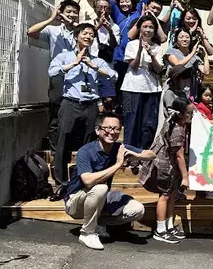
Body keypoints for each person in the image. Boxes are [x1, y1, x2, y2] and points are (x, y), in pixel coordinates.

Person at [64, 112, 154, 250]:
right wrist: (118, 165)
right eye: (108, 128)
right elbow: (88, 181)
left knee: (138, 210)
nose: (112, 132)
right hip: (76, 200)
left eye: (117, 129)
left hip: (100, 198)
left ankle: (99, 224)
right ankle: (87, 233)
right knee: (100, 188)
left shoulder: (119, 148)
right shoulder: (86, 151)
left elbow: (151, 155)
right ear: (97, 130)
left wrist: (135, 155)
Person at [48, 23, 117, 195]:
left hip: (91, 105)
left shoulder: (97, 60)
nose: (88, 37)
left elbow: (113, 75)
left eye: (91, 35)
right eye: (85, 33)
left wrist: (94, 67)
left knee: (89, 143)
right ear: (76, 36)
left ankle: (83, 181)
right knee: (63, 142)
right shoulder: (64, 56)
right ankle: (61, 184)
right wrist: (74, 63)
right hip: (70, 103)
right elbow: (52, 72)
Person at [27, 0, 80, 156]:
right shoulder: (53, 30)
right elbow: (31, 32)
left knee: (75, 112)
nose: (72, 14)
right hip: (58, 75)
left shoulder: (81, 31)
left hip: (77, 75)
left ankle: (71, 146)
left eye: (75, 12)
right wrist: (51, 18)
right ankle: (56, 150)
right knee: (56, 111)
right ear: (61, 13)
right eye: (69, 11)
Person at [139, 96, 194, 244]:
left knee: (172, 194)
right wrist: (185, 177)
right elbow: (179, 155)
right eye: (189, 113)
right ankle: (161, 229)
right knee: (164, 196)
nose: (191, 115)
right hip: (166, 166)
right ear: (180, 114)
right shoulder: (177, 130)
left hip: (170, 166)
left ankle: (169, 226)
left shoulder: (173, 122)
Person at [121, 15, 163, 149]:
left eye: (151, 27)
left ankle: (144, 153)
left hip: (152, 89)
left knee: (148, 124)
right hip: (132, 88)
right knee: (131, 122)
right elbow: (133, 66)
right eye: (145, 27)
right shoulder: (131, 45)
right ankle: (128, 152)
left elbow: (158, 69)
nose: (148, 30)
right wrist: (140, 49)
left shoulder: (157, 48)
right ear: (139, 29)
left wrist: (151, 54)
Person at [108, 0, 148, 103]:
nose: (124, 4)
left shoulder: (137, 12)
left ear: (132, 2)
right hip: (119, 53)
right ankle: (117, 105)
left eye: (127, 1)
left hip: (133, 53)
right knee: (118, 81)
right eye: (122, 2)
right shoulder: (117, 14)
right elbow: (110, 0)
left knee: (130, 81)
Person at [89, 0, 120, 111]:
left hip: (106, 65)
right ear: (95, 8)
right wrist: (97, 26)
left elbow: (114, 45)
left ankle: (106, 117)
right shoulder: (88, 24)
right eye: (100, 7)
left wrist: (109, 30)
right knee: (92, 97)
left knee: (108, 99)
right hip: (90, 63)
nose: (103, 10)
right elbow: (84, 40)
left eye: (106, 8)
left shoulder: (114, 26)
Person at [165, 26, 210, 100]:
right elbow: (178, 66)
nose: (184, 39)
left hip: (190, 93)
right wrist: (193, 52)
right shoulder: (171, 51)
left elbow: (206, 72)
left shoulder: (195, 57)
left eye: (187, 37)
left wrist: (205, 55)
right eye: (181, 37)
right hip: (174, 92)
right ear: (176, 40)